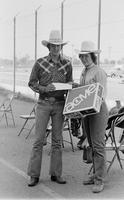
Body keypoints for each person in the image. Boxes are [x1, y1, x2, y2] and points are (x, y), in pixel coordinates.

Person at [27, 30, 73, 187]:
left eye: (58, 45)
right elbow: (32, 83)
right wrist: (45, 89)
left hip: (60, 104)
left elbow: (70, 83)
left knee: (57, 141)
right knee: (39, 140)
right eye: (53, 45)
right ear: (49, 46)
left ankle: (56, 174)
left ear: (61, 46)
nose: (55, 48)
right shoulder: (40, 63)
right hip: (43, 103)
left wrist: (71, 87)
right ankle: (34, 175)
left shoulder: (67, 63)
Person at [78, 41, 109, 193]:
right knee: (91, 144)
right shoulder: (84, 71)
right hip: (86, 112)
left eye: (86, 56)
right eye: (82, 56)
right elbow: (82, 92)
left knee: (98, 146)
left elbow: (101, 95)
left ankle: (100, 179)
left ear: (92, 56)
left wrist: (89, 105)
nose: (84, 58)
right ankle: (96, 174)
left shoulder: (99, 71)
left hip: (98, 110)